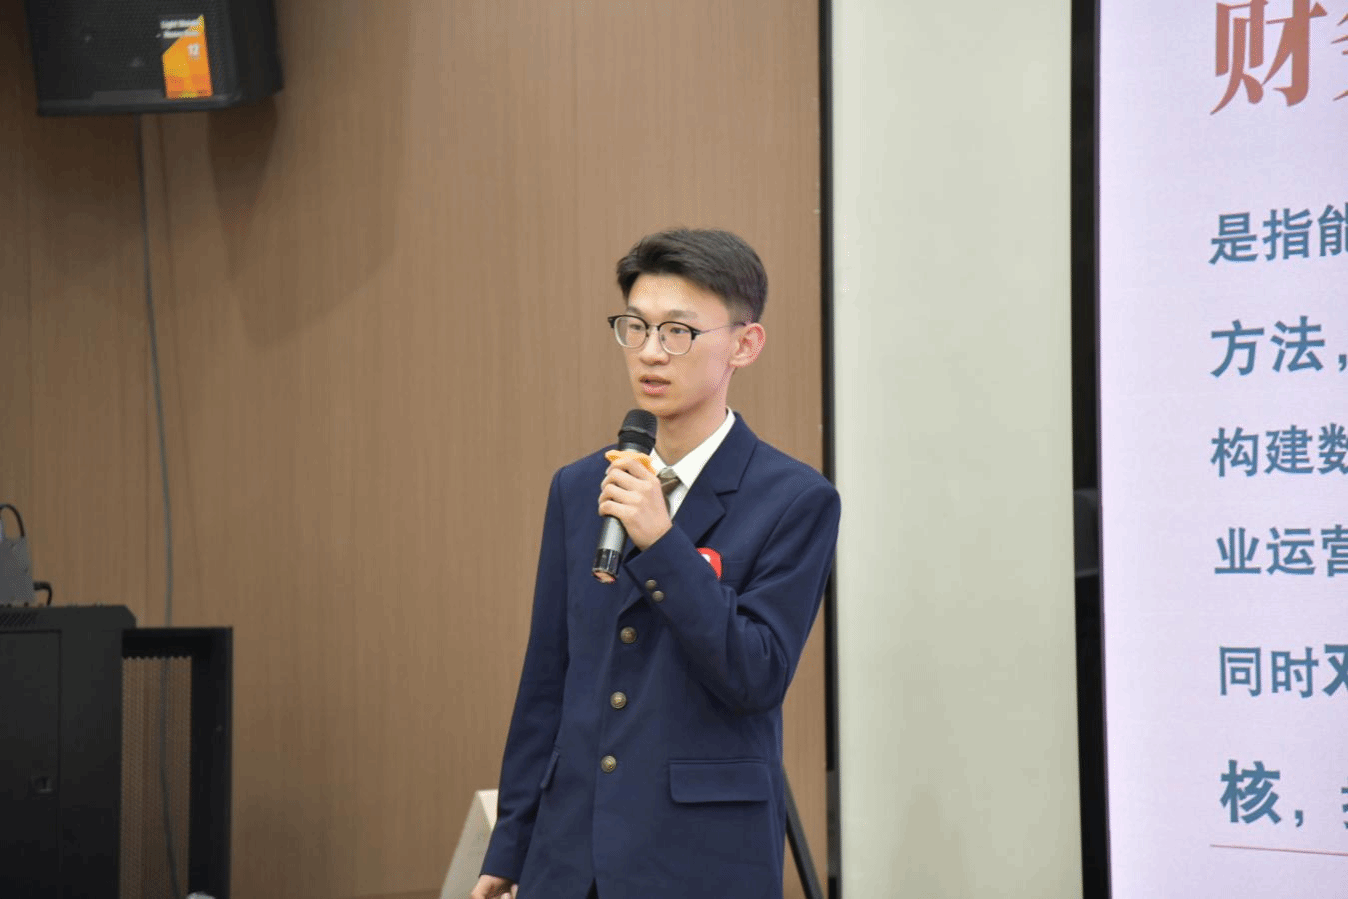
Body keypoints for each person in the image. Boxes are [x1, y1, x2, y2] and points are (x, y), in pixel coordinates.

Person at [471, 228, 840, 899]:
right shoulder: (580, 486)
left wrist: (663, 542)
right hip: (569, 854)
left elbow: (756, 674)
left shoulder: (794, 498)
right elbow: (547, 678)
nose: (649, 351)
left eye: (678, 332)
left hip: (700, 857)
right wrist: (512, 844)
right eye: (635, 326)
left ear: (744, 344)